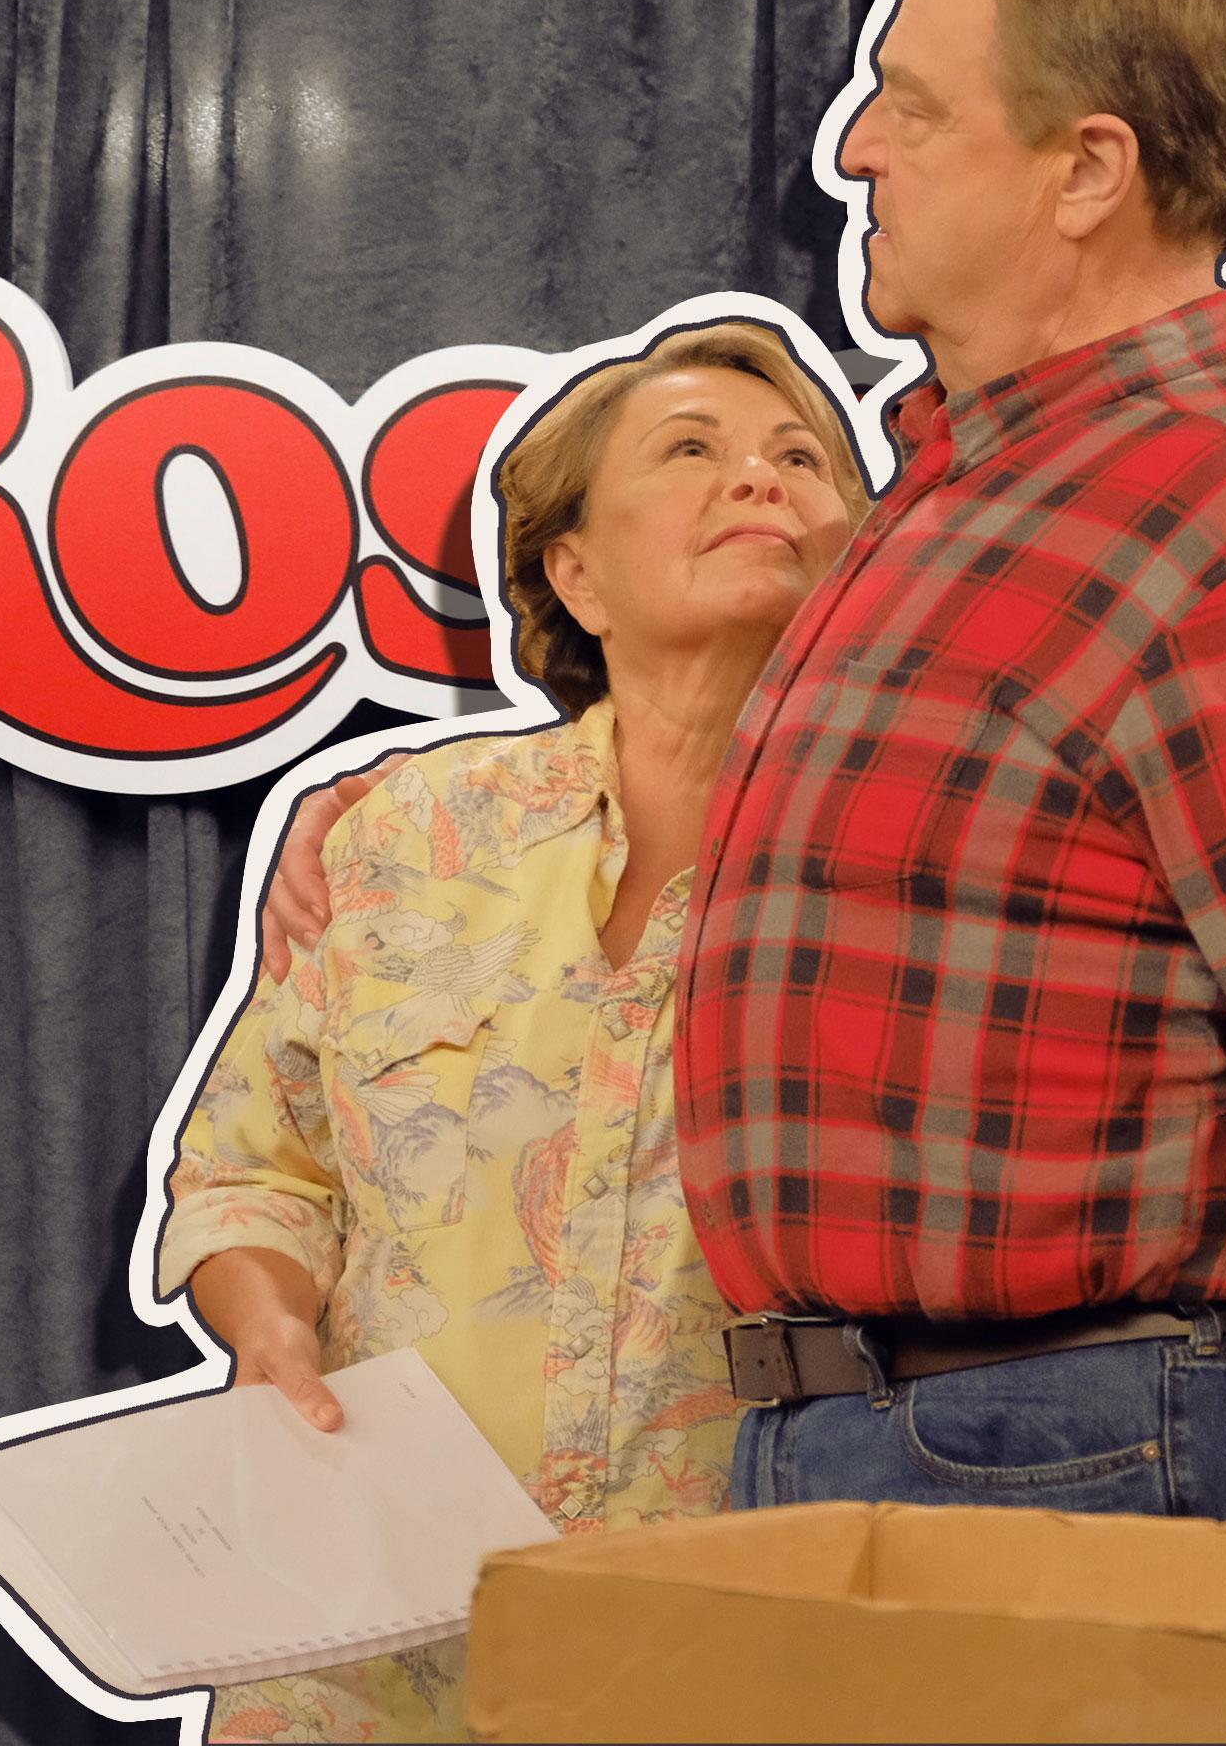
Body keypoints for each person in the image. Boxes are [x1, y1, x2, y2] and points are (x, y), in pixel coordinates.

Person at [267, 0, 1226, 1543]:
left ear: (1087, 170)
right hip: (860, 1446)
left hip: (1090, 1453)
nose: (853, 148)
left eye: (913, 102)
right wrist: (392, 817)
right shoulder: (951, 510)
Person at [161, 321, 868, 1742]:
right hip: (370, 1642)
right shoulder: (407, 831)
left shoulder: (920, 853)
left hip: (739, 1643)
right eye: (692, 450)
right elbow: (256, 1169)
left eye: (801, 459)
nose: (760, 478)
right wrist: (271, 1332)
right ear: (575, 574)